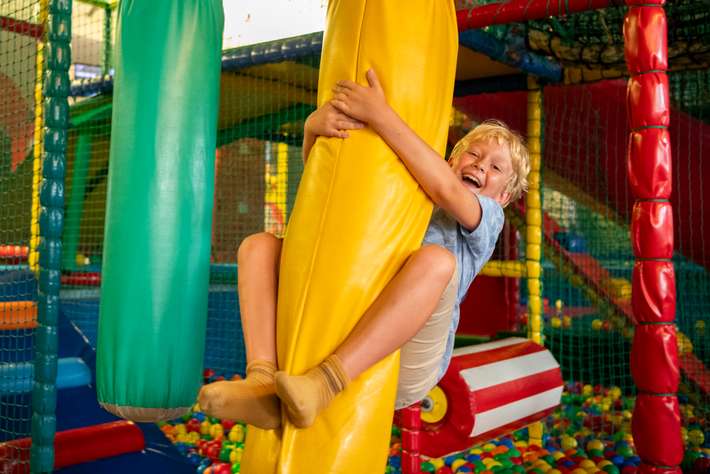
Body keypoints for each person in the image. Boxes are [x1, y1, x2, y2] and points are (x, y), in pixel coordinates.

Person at [198, 69, 530, 430]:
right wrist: (313, 131)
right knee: (258, 246)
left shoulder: (489, 215)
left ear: (503, 196)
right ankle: (261, 379)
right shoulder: (414, 188)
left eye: (495, 167)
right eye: (473, 154)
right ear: (451, 161)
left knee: (437, 261)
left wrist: (380, 115)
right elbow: (327, 192)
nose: (480, 165)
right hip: (357, 311)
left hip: (410, 357)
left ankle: (326, 382)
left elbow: (447, 191)